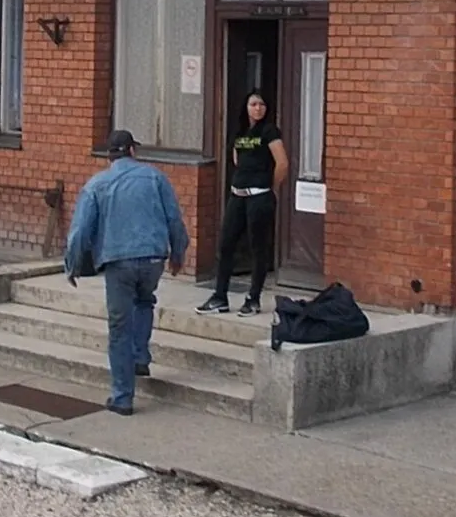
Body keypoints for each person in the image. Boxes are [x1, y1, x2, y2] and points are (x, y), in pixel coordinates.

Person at [63, 130, 191, 415]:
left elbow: (80, 231)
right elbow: (174, 218)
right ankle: (140, 356)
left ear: (110, 155)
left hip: (118, 260)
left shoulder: (97, 184)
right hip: (153, 257)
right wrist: (178, 254)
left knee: (119, 326)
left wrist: (72, 264)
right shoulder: (156, 177)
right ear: (132, 150)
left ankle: (122, 397)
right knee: (145, 301)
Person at [198, 90, 290, 317]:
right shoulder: (239, 132)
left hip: (259, 195)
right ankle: (220, 296)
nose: (257, 108)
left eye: (261, 104)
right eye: (253, 104)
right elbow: (236, 159)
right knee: (226, 244)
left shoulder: (269, 131)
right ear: (246, 107)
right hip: (237, 195)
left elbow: (282, 163)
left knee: (258, 247)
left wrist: (272, 188)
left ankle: (253, 298)